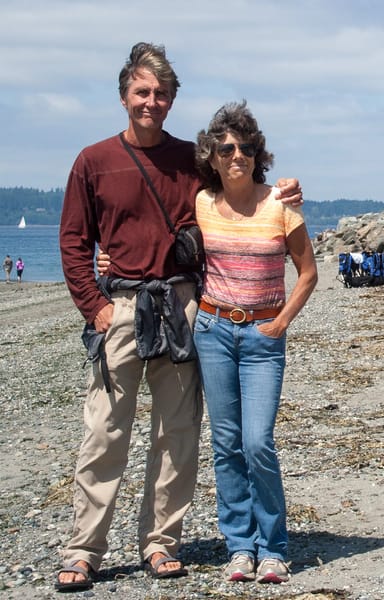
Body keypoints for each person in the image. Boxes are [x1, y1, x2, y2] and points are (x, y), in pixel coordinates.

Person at [55, 43, 303, 592]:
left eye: (161, 93)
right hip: (118, 307)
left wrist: (286, 189)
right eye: (142, 92)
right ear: (125, 96)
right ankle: (84, 549)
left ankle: (160, 543)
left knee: (178, 433)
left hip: (183, 306)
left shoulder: (191, 159)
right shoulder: (92, 161)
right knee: (104, 433)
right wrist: (92, 306)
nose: (151, 102)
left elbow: (240, 190)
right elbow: (74, 241)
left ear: (172, 100)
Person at [191, 101, 317, 584]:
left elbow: (308, 273)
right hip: (213, 331)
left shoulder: (281, 204)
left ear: (257, 153)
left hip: (263, 335)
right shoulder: (202, 202)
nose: (236, 154)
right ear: (213, 155)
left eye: (245, 147)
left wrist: (280, 322)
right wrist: (107, 265)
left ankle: (274, 548)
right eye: (226, 148)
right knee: (225, 443)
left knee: (257, 441)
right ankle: (240, 546)